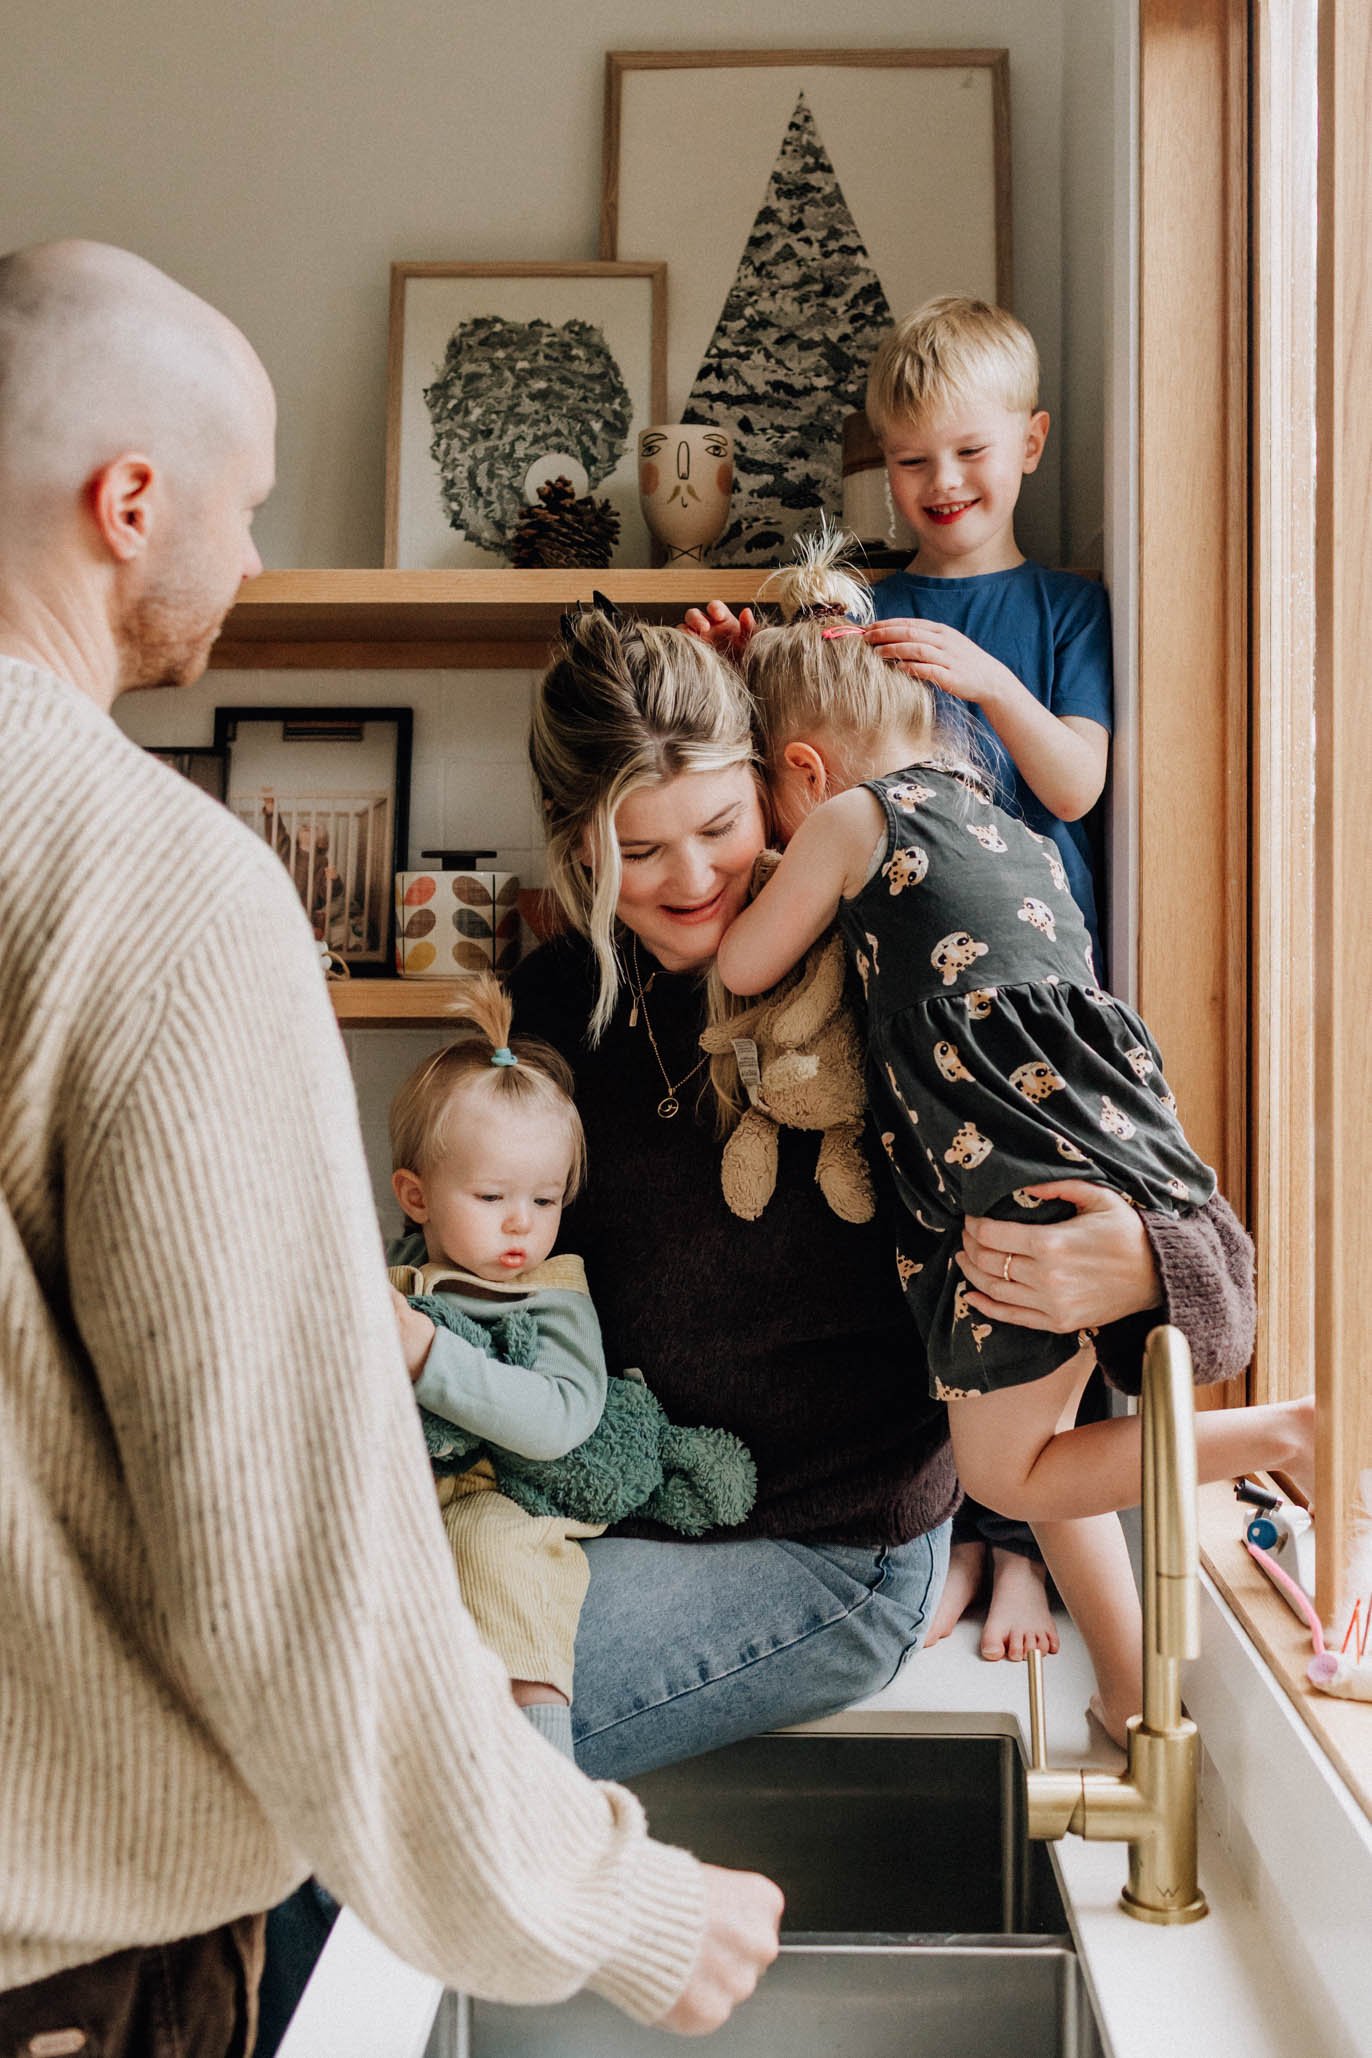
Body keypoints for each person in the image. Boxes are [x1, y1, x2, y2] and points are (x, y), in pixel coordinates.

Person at [0, 239, 781, 2058]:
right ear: (129, 503)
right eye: (247, 504)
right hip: (58, 1967)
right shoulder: (159, 890)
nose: (257, 558)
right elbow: (290, 1547)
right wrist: (608, 1897)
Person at [515, 596, 1263, 1785]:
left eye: (717, 823)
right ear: (575, 843)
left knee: (425, 1737)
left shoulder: (896, 954)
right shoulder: (559, 997)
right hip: (621, 1513)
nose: (692, 878)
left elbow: (1209, 1261)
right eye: (635, 851)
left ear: (778, 779)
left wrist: (1137, 1258)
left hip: (834, 1550)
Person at [714, 533, 1314, 1742]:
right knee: (1057, 1453)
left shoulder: (844, 821)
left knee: (1004, 1472)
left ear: (801, 765)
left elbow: (741, 961)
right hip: (1105, 1142)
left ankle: (1284, 1433)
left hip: (1009, 1180)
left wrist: (785, 859)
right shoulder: (1009, 829)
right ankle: (1141, 1697)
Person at [689, 293, 1110, 1668]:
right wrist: (749, 663)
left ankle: (1024, 1556)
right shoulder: (867, 604)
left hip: (1031, 1013)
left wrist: (986, 679)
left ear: (1033, 443)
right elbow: (809, 746)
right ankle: (958, 1537)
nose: (941, 487)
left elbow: (1076, 778)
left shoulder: (1059, 609)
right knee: (929, 1278)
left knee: (1035, 1273)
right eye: (913, 461)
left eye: (970, 454)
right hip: (894, 1006)